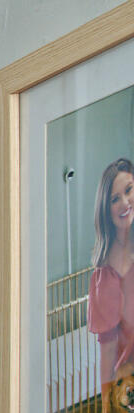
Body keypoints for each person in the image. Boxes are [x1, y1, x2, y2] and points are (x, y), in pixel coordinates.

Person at [89, 159, 134, 382]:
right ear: (106, 210)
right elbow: (107, 353)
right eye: (115, 199)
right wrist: (107, 411)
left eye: (129, 190)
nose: (125, 203)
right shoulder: (104, 278)